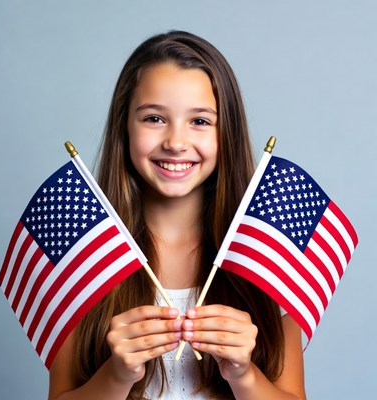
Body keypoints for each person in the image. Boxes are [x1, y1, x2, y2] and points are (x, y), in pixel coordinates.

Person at [48, 30, 306, 400]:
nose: (176, 142)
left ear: (226, 133)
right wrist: (117, 376)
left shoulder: (268, 253)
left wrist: (244, 375)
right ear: (125, 126)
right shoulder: (83, 253)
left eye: (200, 121)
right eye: (154, 118)